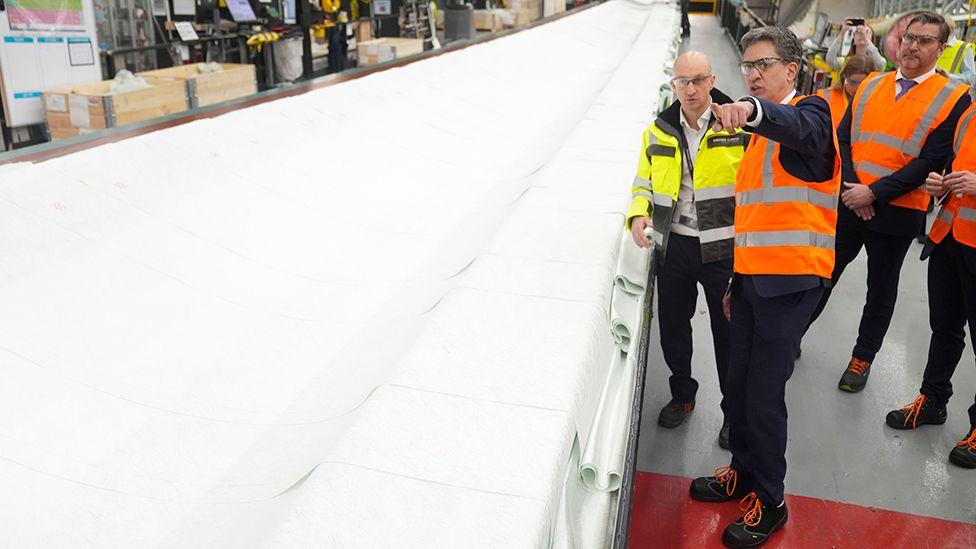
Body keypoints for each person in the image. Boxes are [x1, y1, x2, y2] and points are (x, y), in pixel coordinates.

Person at [688, 27, 839, 548]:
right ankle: (744, 472)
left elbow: (799, 127)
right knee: (740, 382)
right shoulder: (758, 144)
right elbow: (751, 220)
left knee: (764, 394)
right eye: (748, 66)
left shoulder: (812, 115)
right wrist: (735, 280)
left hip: (792, 281)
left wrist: (752, 110)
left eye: (764, 65)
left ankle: (771, 501)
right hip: (754, 281)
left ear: (791, 70)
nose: (752, 74)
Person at [805, 12, 970, 394]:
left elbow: (930, 161)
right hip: (851, 199)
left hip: (897, 212)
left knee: (880, 290)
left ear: (941, 49)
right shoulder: (872, 84)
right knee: (822, 274)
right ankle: (793, 334)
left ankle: (862, 357)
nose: (914, 45)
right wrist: (855, 188)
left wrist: (873, 194)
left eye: (926, 40)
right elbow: (843, 138)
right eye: (910, 37)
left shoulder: (953, 99)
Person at [628, 51, 744, 449]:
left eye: (698, 80)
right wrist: (638, 216)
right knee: (673, 326)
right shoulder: (659, 130)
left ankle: (734, 412)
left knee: (728, 332)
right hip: (674, 243)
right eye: (682, 82)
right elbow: (643, 181)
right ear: (673, 85)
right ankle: (683, 393)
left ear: (712, 81)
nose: (690, 89)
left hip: (722, 247)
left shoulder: (739, 125)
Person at [884, 102, 976, 469]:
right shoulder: (970, 115)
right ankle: (933, 399)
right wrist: (940, 185)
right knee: (945, 329)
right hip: (949, 238)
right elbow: (956, 171)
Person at [816, 55, 874, 128]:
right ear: (844, 77)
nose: (857, 88)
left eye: (863, 84)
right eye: (853, 82)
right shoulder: (824, 97)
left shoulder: (876, 104)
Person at [937, 17, 976, 86]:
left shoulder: (964, 48)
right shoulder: (935, 45)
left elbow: (971, 78)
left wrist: (948, 76)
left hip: (951, 93)